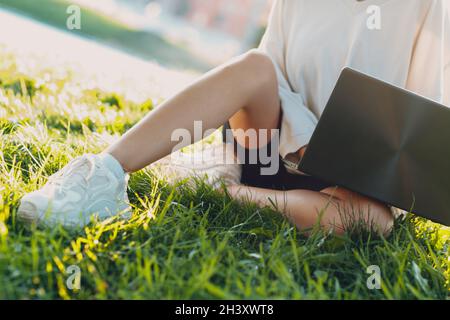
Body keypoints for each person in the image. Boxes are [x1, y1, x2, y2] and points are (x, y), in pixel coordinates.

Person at [18, 0, 449, 234]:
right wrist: (305, 140)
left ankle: (224, 188)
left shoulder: (428, 8)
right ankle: (101, 175)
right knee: (254, 66)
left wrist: (366, 171)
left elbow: (422, 116)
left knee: (371, 223)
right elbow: (274, 68)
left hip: (349, 184)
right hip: (273, 144)